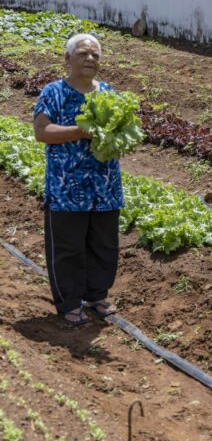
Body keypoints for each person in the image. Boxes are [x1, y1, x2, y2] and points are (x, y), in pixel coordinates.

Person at [33, 33, 122, 327]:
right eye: (83, 54)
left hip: (105, 185)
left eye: (95, 55)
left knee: (103, 245)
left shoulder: (108, 92)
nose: (90, 60)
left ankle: (97, 296)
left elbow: (123, 131)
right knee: (68, 247)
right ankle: (69, 302)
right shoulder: (54, 92)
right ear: (67, 59)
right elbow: (42, 132)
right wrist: (80, 131)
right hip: (66, 186)